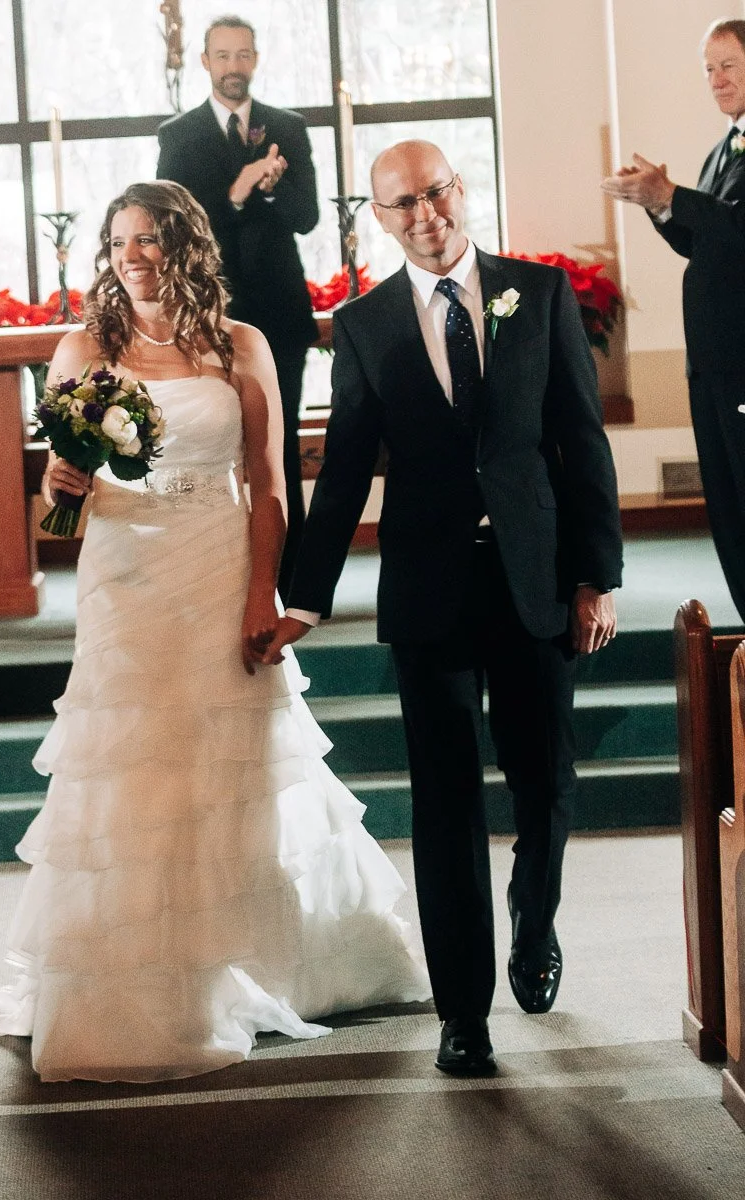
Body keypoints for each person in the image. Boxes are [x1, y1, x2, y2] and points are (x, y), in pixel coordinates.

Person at [0, 180, 429, 1083]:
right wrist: (60, 485)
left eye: (151, 238)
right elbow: (66, 478)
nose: (134, 254)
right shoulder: (83, 348)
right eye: (121, 240)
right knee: (137, 758)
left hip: (218, 561)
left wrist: (265, 589)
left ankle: (252, 959)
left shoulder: (240, 345)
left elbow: (268, 481)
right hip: (126, 571)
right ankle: (139, 981)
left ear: (185, 246)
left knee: (232, 755)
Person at [262, 141, 624, 1077]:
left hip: (536, 579)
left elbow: (581, 447)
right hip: (427, 594)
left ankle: (532, 916)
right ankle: (464, 1012)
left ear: (462, 193)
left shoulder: (537, 297)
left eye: (436, 194)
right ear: (379, 217)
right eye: (402, 204)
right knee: (446, 803)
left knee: (546, 783)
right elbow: (341, 474)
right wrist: (304, 596)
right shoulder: (364, 324)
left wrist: (597, 577)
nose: (425, 215)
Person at [156, 14, 319, 600]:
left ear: (256, 59)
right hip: (206, 315)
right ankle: (217, 572)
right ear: (205, 61)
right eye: (222, 56)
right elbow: (172, 227)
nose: (233, 66)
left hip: (279, 313)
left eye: (242, 55)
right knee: (211, 443)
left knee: (279, 440)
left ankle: (292, 577)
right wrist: (239, 188)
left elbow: (307, 217)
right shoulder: (177, 135)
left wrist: (272, 187)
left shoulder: (289, 128)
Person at [601, 17, 745, 624]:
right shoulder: (724, 146)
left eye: (728, 66)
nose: (715, 80)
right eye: (707, 69)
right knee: (729, 503)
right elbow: (703, 243)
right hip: (713, 359)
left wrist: (672, 196)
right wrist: (659, 209)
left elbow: (737, 230)